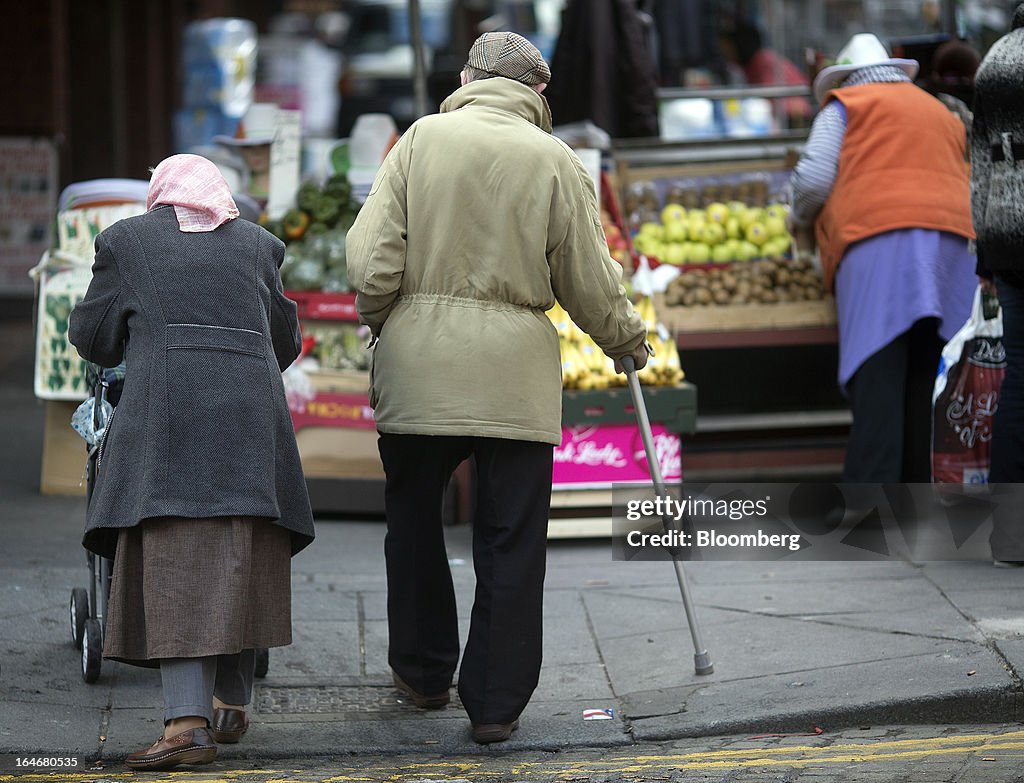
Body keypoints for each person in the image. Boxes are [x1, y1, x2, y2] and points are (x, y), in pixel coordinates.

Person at [345, 31, 649, 744]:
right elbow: (589, 278)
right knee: (512, 538)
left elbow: (369, 259)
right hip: (515, 376)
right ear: (537, 94)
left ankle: (422, 673)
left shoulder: (420, 139)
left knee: (414, 521)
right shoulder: (554, 160)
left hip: (417, 366)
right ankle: (495, 703)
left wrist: (390, 318)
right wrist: (625, 340)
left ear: (467, 76)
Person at [68, 154, 315, 769]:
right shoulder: (260, 246)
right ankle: (231, 704)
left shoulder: (125, 243)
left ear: (160, 193)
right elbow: (286, 340)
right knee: (241, 551)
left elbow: (93, 336)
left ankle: (186, 724)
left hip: (167, 430)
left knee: (177, 561)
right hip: (252, 429)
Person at [787, 33, 976, 483]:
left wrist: (795, 217)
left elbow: (812, 180)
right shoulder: (939, 109)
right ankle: (917, 504)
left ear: (847, 75)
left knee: (879, 378)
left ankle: (871, 510)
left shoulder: (845, 105)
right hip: (952, 250)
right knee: (926, 382)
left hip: (879, 245)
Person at [970, 3, 1024, 565]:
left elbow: (979, 166)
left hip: (1008, 236)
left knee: (1019, 381)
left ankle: (1011, 537)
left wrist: (984, 247)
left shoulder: (995, 61)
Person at [718, 19, 814, 128]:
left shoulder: (762, 62)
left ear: (739, 45)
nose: (724, 52)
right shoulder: (750, 65)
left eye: (727, 47)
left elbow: (771, 100)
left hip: (793, 117)